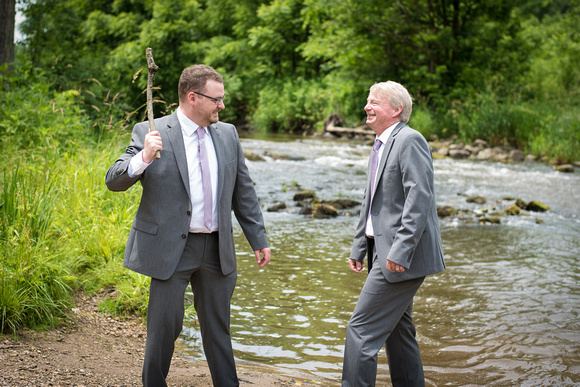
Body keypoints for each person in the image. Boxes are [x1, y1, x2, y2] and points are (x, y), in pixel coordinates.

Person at [105, 64, 271, 386]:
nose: (222, 105)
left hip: (216, 249)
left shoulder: (228, 134)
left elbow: (244, 191)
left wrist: (258, 239)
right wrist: (144, 159)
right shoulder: (150, 131)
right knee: (164, 330)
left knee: (218, 330)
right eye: (217, 99)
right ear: (193, 97)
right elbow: (114, 180)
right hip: (170, 249)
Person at [342, 81, 445, 386]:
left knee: (360, 330)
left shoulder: (410, 140)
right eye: (367, 101)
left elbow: (419, 200)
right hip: (380, 251)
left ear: (396, 109)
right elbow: (371, 201)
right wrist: (359, 247)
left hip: (401, 254)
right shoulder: (381, 145)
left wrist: (400, 252)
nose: (366, 107)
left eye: (374, 102)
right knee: (399, 333)